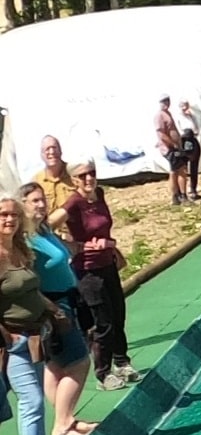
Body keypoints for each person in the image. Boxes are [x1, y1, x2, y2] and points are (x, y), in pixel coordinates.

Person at [0, 196, 71, 435]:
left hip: (35, 335)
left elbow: (31, 288)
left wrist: (52, 310)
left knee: (34, 399)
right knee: (32, 401)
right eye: (3, 214)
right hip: (13, 340)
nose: (9, 220)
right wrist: (6, 336)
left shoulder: (20, 250)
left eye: (14, 215)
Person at [18, 183, 95, 435]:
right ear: (23, 205)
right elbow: (27, 279)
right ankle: (62, 425)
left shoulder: (44, 231)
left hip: (68, 299)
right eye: (34, 201)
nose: (41, 205)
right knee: (80, 362)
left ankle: (67, 418)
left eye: (42, 200)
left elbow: (63, 250)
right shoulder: (26, 241)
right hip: (53, 306)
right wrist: (50, 310)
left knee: (54, 366)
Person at [62, 162, 135, 391]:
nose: (88, 179)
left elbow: (106, 232)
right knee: (102, 322)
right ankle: (103, 374)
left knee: (118, 314)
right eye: (82, 175)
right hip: (88, 271)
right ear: (74, 179)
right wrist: (78, 246)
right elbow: (46, 224)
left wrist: (110, 244)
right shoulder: (74, 202)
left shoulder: (100, 194)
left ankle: (122, 361)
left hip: (108, 264)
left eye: (91, 173)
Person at [33, 136, 77, 230]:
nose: (52, 152)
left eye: (54, 148)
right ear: (41, 155)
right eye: (47, 149)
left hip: (75, 234)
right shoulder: (36, 181)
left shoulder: (74, 174)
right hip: (49, 234)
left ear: (61, 151)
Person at [156, 95, 188, 206]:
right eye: (164, 101)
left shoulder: (167, 114)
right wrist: (172, 144)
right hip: (170, 148)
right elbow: (161, 134)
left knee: (179, 170)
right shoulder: (159, 116)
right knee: (178, 170)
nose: (166, 103)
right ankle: (179, 195)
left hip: (175, 147)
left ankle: (179, 195)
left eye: (167, 101)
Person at [177, 101, 201, 203]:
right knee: (183, 168)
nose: (185, 108)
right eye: (182, 106)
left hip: (192, 140)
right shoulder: (178, 117)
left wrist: (193, 132)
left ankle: (193, 190)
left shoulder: (191, 116)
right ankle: (181, 192)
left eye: (186, 105)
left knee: (194, 166)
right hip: (184, 142)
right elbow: (179, 131)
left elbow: (197, 129)